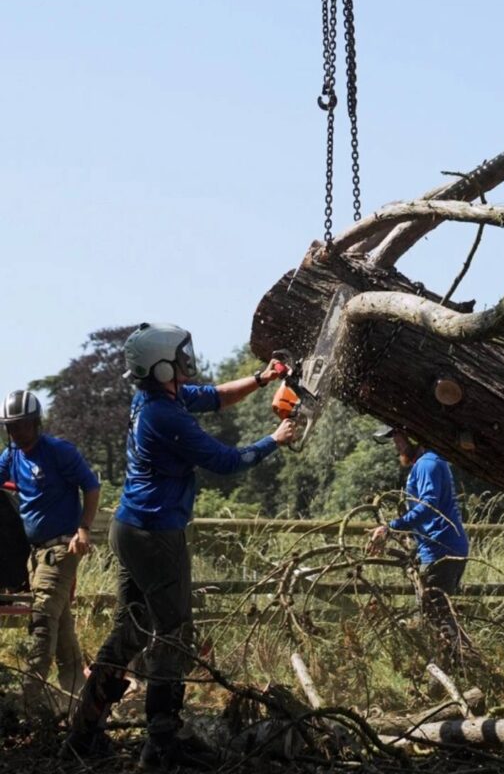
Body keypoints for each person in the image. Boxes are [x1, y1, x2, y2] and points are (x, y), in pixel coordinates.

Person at [64, 322, 295, 768]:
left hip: (130, 528)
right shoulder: (164, 416)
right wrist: (274, 441)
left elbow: (215, 396)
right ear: (161, 364)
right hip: (155, 536)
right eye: (180, 357)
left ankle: (83, 732)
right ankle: (161, 743)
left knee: (129, 629)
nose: (188, 362)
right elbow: (226, 461)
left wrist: (262, 379)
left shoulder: (154, 397)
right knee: (173, 634)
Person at [0, 388, 100, 717]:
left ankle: (28, 706)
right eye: (11, 427)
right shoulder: (11, 456)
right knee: (62, 631)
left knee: (42, 622)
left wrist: (83, 529)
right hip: (34, 555)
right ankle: (81, 702)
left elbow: (91, 486)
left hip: (61, 549)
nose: (18, 432)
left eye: (23, 425)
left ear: (36, 423)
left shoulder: (58, 452)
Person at [369, 427, 474, 669]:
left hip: (442, 548)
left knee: (435, 614)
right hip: (441, 546)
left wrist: (390, 527)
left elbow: (428, 506)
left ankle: (457, 669)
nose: (396, 445)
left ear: (412, 437)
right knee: (437, 613)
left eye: (397, 437)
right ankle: (457, 667)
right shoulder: (429, 462)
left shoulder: (427, 464)